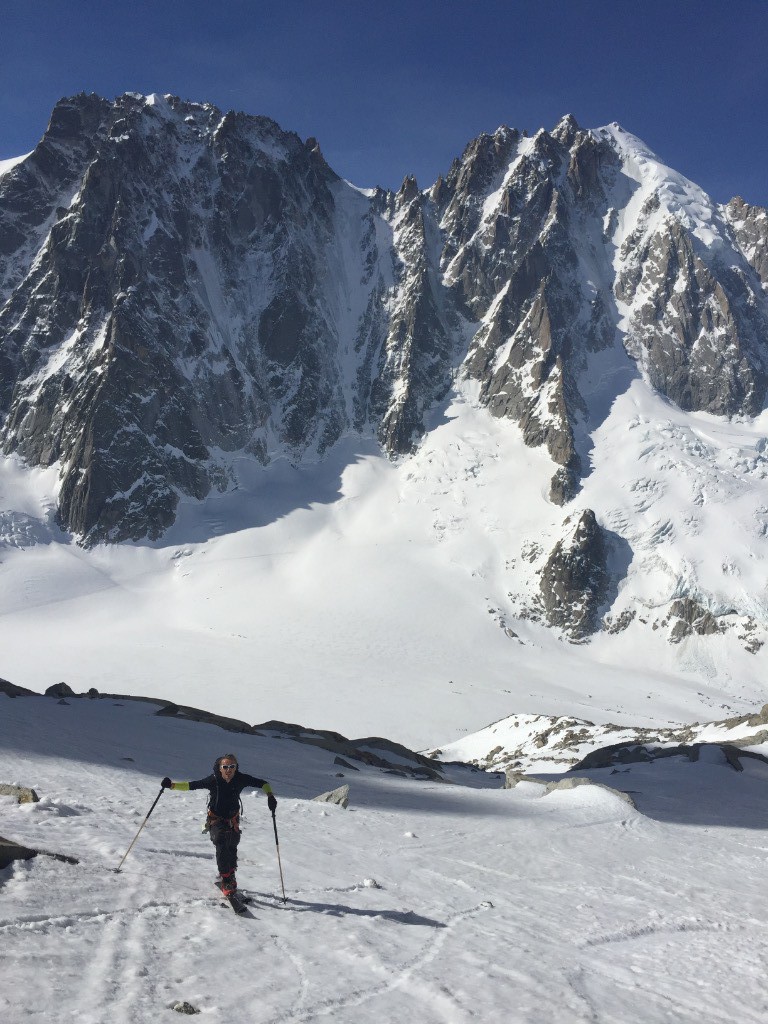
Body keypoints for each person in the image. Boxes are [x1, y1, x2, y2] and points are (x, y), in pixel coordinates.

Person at [161, 753, 277, 895]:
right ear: (220, 768)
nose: (229, 769)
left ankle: (231, 873)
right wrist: (171, 785)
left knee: (232, 844)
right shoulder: (213, 780)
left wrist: (270, 796)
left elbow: (263, 783)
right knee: (221, 841)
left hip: (232, 819)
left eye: (232, 766)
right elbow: (192, 785)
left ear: (236, 768)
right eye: (225, 766)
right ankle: (226, 879)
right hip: (216, 819)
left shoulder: (241, 778)